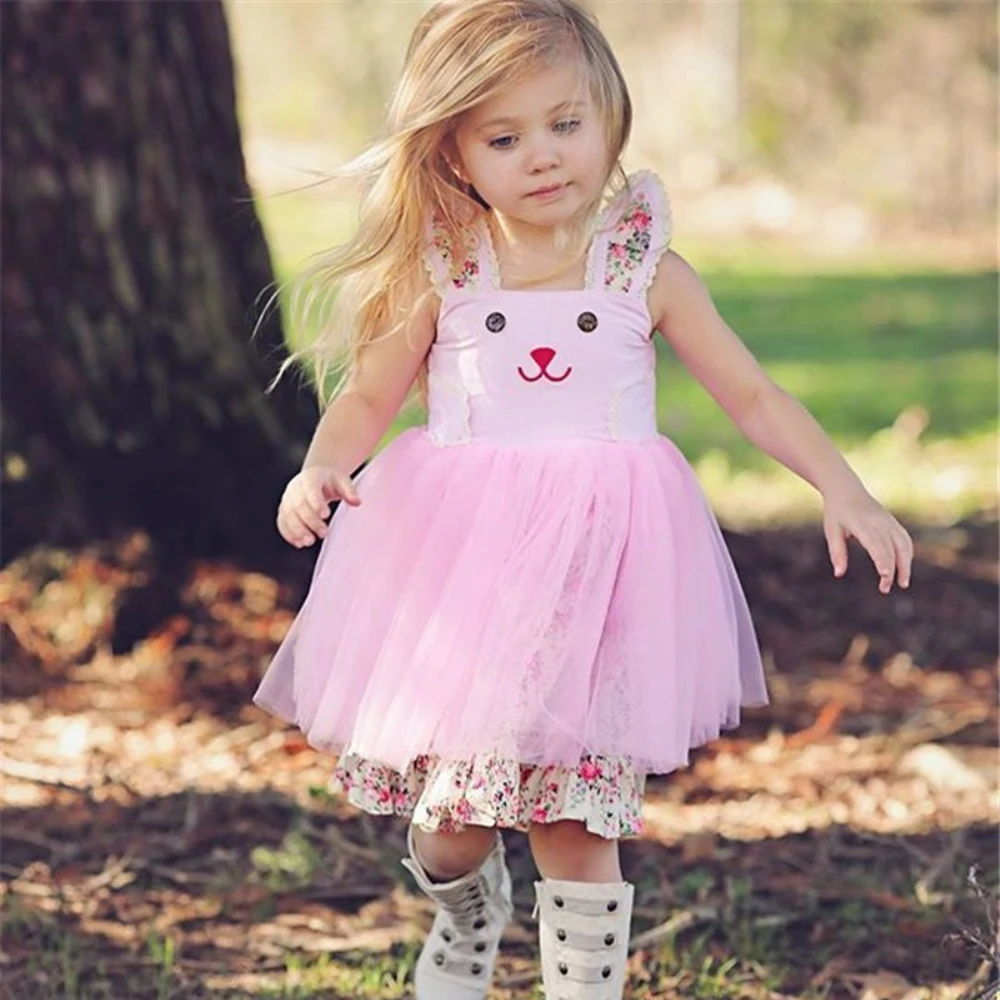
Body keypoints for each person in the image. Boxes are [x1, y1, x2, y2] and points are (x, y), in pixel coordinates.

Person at [252, 1, 914, 997]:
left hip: (599, 587)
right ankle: (467, 911)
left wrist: (843, 487)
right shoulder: (443, 272)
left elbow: (752, 395)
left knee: (575, 822)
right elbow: (366, 399)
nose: (544, 154)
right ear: (453, 154)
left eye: (565, 123)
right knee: (450, 826)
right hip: (467, 589)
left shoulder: (647, 271)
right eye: (504, 138)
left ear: (611, 118)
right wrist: (318, 469)